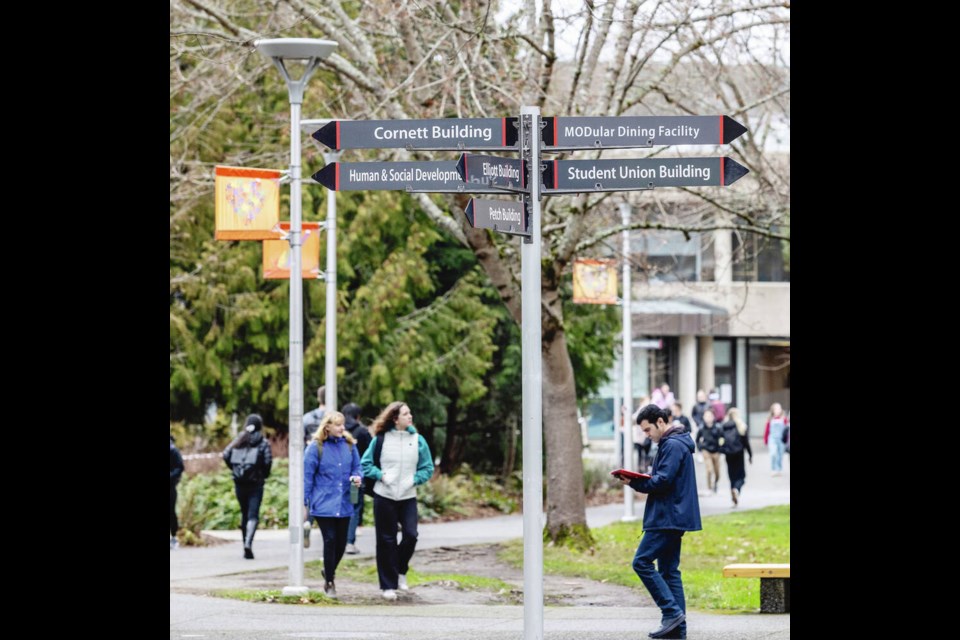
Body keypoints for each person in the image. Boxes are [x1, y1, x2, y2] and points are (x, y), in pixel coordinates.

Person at [618, 404, 701, 640]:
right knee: (668, 571)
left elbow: (662, 481)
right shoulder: (674, 443)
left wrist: (634, 482)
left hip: (667, 517)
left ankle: (671, 612)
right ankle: (677, 631)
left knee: (641, 562)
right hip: (673, 516)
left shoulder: (672, 445)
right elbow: (665, 479)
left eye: (647, 430)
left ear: (661, 422)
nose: (647, 435)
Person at [361, 401, 435, 600]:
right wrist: (382, 476)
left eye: (410, 413)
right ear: (395, 418)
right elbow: (366, 464)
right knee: (386, 540)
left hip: (408, 496)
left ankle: (401, 570)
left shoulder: (418, 440)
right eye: (405, 413)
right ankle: (388, 585)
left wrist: (414, 480)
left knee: (411, 535)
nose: (410, 416)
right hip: (384, 495)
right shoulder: (381, 440)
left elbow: (427, 468)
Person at [304, 411, 361, 599]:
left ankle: (328, 570)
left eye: (343, 424)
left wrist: (357, 478)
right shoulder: (316, 447)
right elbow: (307, 477)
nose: (342, 428)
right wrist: (305, 502)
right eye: (338, 425)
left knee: (341, 544)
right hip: (323, 503)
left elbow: (357, 467)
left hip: (344, 502)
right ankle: (329, 581)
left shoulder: (350, 446)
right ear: (327, 427)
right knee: (329, 539)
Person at [222, 414, 273, 559]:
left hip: (239, 483)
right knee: (253, 514)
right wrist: (262, 474)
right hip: (256, 484)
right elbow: (268, 461)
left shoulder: (240, 439)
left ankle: (245, 541)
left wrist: (235, 470)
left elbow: (226, 454)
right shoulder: (263, 442)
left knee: (244, 513)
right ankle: (248, 543)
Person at [342, 402, 372, 554]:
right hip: (355, 477)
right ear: (358, 416)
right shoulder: (362, 432)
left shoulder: (338, 431)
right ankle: (349, 542)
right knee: (353, 507)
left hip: (338, 477)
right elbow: (370, 454)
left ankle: (337, 541)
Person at [302, 385, 327, 548]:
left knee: (311, 492)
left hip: (310, 458)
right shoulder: (333, 419)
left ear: (318, 398)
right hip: (329, 460)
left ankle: (308, 522)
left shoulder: (307, 418)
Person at [719, 407, 752, 507]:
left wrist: (722, 451)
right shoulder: (741, 426)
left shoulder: (723, 426)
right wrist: (750, 455)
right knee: (741, 476)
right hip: (739, 454)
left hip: (728, 455)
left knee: (732, 477)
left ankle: (733, 500)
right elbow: (746, 443)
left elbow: (720, 441)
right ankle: (736, 490)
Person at [694, 409, 722, 494]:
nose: (708, 418)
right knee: (709, 470)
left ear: (713, 417)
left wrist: (721, 447)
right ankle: (709, 487)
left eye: (709, 416)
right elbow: (697, 440)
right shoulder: (702, 428)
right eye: (706, 416)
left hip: (716, 451)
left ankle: (715, 482)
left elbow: (722, 438)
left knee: (717, 472)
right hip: (706, 451)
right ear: (704, 417)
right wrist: (700, 448)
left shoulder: (718, 427)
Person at [763, 402, 789, 476]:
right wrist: (765, 440)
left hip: (781, 440)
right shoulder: (770, 419)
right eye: (776, 408)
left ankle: (778, 469)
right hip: (772, 439)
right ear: (773, 410)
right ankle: (773, 469)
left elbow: (787, 431)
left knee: (780, 455)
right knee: (773, 454)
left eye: (779, 408)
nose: (778, 410)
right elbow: (766, 430)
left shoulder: (784, 419)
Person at [170, 435, 184, 550]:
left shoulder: (173, 450)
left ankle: (173, 537)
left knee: (171, 512)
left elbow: (179, 467)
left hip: (170, 486)